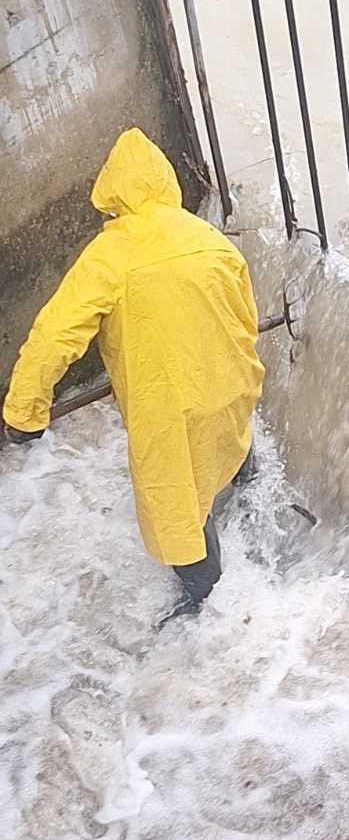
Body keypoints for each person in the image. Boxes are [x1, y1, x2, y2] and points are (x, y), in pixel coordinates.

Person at [3, 128, 265, 624]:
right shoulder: (206, 237)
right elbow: (245, 317)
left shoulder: (111, 254)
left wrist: (25, 415)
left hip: (170, 408)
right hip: (234, 384)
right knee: (226, 447)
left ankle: (207, 610)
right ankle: (257, 504)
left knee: (177, 508)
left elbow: (53, 337)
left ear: (112, 195)